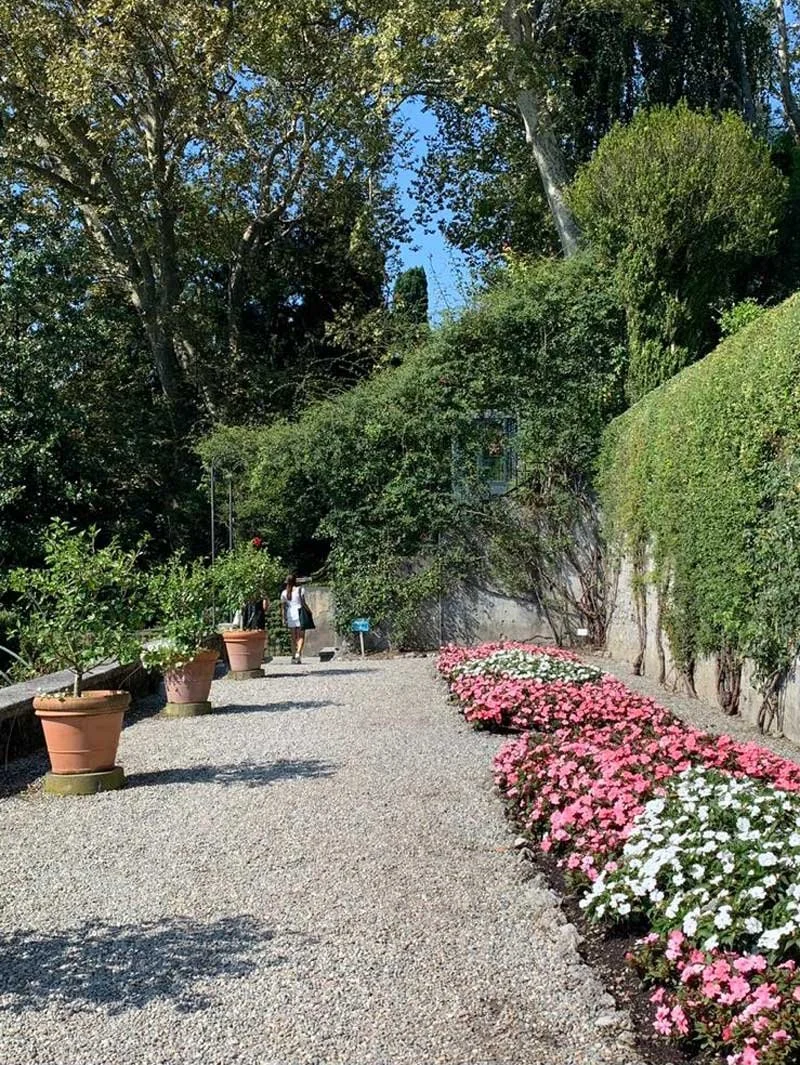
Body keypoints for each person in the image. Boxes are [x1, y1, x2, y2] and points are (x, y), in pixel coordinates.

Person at [280, 573, 306, 664]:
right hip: (299, 612)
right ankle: (298, 653)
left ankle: (293, 655)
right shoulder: (300, 590)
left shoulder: (284, 593)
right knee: (301, 635)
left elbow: (283, 607)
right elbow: (303, 603)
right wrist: (309, 611)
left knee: (293, 637)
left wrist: (283, 618)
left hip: (290, 613)